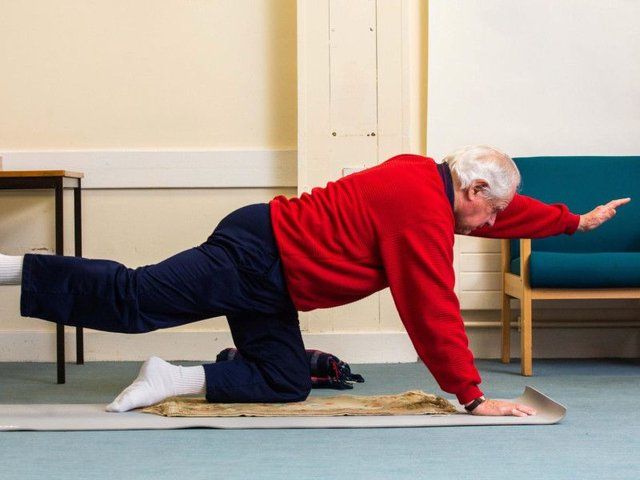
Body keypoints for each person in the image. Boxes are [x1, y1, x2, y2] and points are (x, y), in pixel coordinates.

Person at [0, 145, 629, 416]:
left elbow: (503, 209)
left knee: (285, 380)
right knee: (134, 300)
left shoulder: (429, 176)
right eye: (489, 212)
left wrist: (571, 222)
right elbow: (431, 307)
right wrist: (471, 395)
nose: (492, 226)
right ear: (471, 189)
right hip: (255, 254)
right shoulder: (421, 215)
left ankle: (169, 378)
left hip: (276, 281)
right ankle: (11, 269)